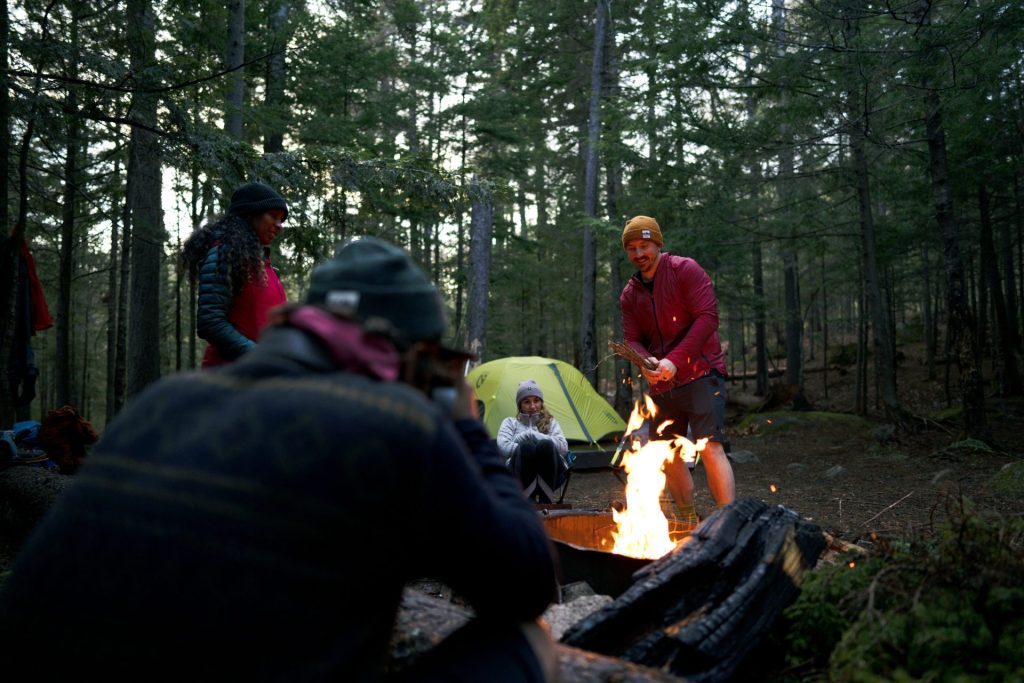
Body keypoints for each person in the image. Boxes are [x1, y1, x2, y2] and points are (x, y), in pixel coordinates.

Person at [0, 238, 560, 682]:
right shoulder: (393, 423)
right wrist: (465, 423)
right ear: (413, 360)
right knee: (528, 642)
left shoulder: (166, 401)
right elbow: (527, 581)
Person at [619, 215, 736, 523]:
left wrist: (675, 359)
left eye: (644, 245)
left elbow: (707, 318)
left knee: (709, 448)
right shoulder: (630, 293)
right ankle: (687, 521)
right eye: (632, 248)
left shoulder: (685, 270)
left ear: (658, 244)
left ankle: (727, 522)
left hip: (701, 373)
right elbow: (632, 338)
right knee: (667, 453)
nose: (639, 254)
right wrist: (646, 363)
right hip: (662, 384)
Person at [181, 181, 289, 368]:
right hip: (229, 378)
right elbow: (210, 323)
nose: (280, 226)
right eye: (273, 216)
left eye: (281, 220)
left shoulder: (262, 265)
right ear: (250, 214)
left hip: (260, 377)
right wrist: (258, 356)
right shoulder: (223, 254)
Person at [497, 379, 570, 504]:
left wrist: (536, 436)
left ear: (541, 403)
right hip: (518, 474)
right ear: (520, 405)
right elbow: (504, 449)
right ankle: (527, 499)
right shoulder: (510, 423)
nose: (532, 406)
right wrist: (524, 436)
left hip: (551, 474)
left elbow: (563, 448)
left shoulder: (551, 422)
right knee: (526, 447)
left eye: (536, 401)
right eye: (527, 402)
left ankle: (545, 499)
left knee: (545, 445)